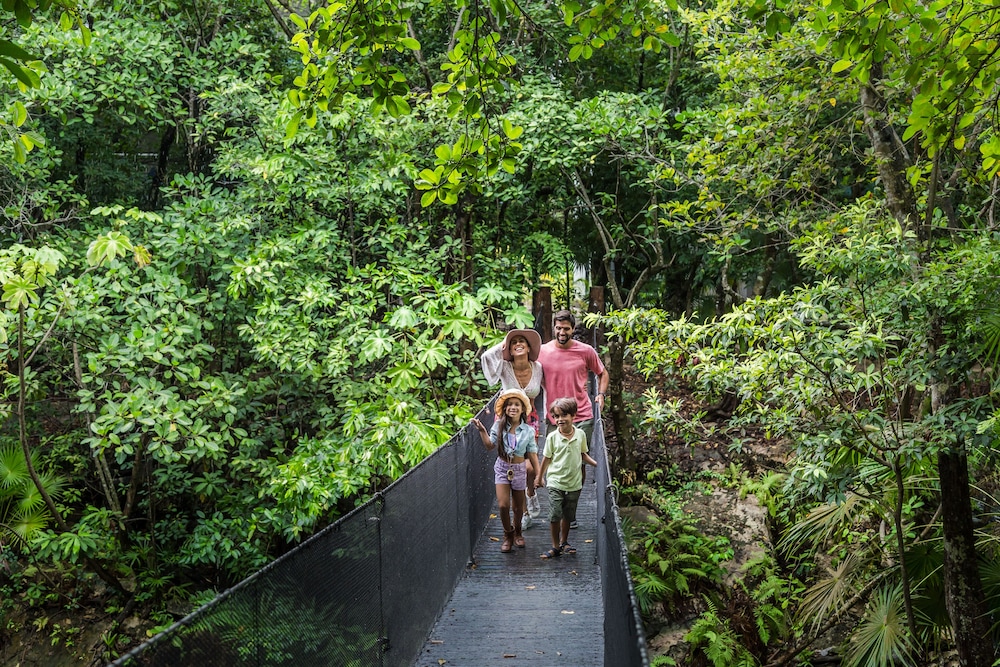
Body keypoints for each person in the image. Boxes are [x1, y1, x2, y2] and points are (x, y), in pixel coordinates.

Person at [537, 309, 608, 526]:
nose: (561, 332)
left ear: (573, 329)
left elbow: (602, 373)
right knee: (555, 461)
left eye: (566, 328)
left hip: (582, 415)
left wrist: (601, 395)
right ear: (554, 328)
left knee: (578, 463)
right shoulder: (542, 351)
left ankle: (571, 511)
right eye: (558, 328)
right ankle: (557, 509)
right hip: (554, 416)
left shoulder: (585, 351)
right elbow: (520, 364)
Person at [480, 328, 546, 526]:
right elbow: (485, 358)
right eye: (513, 342)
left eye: (522, 341)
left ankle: (530, 491)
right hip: (506, 420)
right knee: (515, 466)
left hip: (530, 419)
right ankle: (523, 513)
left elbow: (547, 388)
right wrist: (500, 347)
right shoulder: (504, 367)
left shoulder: (538, 367)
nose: (518, 344)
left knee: (529, 468)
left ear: (528, 347)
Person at [471, 388, 540, 553]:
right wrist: (482, 430)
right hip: (502, 467)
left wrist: (538, 475)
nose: (513, 408)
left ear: (522, 409)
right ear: (505, 409)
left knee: (517, 507)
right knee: (503, 505)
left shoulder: (528, 431)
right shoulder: (498, 425)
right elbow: (489, 446)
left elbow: (532, 454)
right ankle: (507, 534)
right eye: (509, 405)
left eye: (516, 405)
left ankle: (518, 532)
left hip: (519, 469)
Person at [535, 397, 598, 559]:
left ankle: (564, 542)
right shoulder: (552, 438)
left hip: (574, 482)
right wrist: (539, 477)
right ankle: (555, 546)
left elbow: (583, 454)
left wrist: (598, 464)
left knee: (568, 515)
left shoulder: (581, 434)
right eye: (556, 417)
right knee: (555, 514)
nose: (560, 420)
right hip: (555, 480)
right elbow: (546, 458)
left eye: (564, 415)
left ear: (573, 416)